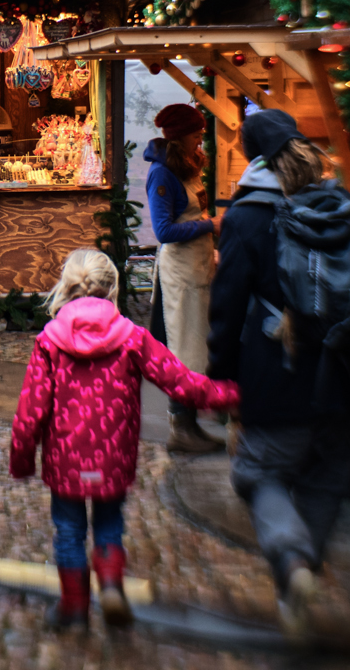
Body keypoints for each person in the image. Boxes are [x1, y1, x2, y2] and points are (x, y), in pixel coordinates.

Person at [10, 250, 239, 631]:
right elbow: (181, 383)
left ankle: (74, 609)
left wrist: (21, 459)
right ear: (112, 288)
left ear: (66, 288)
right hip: (112, 458)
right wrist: (232, 394)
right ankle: (112, 585)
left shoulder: (50, 341)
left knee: (68, 531)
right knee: (109, 525)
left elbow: (30, 411)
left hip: (65, 461)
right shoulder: (132, 338)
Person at [206, 109, 350, 640]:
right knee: (327, 479)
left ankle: (293, 563)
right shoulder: (344, 207)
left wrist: (222, 376)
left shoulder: (247, 215)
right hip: (342, 370)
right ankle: (298, 580)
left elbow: (227, 304)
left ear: (253, 157)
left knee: (260, 474)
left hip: (275, 369)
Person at [143, 103, 222, 454]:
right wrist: (211, 225)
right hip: (180, 275)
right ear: (179, 137)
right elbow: (163, 230)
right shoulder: (163, 175)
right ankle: (181, 428)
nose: (200, 140)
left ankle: (189, 425)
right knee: (183, 351)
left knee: (196, 347)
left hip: (198, 268)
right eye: (196, 134)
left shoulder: (189, 167)